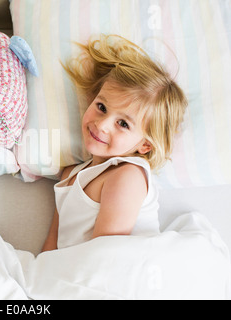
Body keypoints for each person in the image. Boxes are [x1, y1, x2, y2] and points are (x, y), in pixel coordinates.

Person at [42, 34, 188, 252]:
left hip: (105, 278)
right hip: (70, 273)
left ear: (145, 145)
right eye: (101, 107)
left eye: (122, 123)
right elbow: (51, 246)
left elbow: (105, 257)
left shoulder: (127, 176)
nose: (102, 125)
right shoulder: (70, 175)